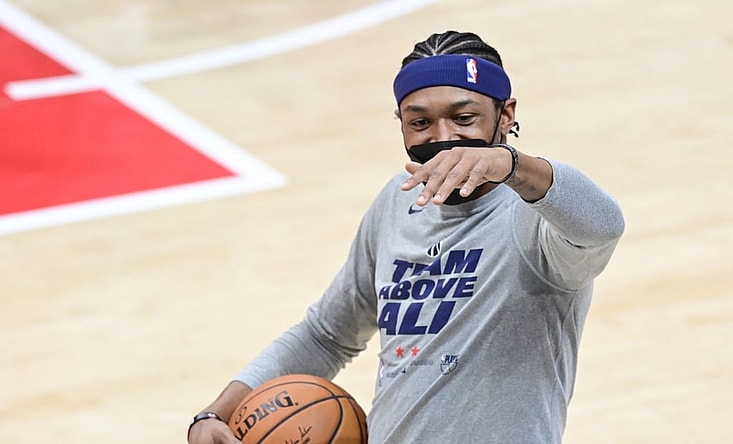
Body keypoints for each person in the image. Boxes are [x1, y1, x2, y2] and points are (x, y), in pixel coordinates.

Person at [187, 30, 625, 444]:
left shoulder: (538, 219)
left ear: (505, 115)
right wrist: (217, 413)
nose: (443, 138)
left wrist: (511, 165)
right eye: (420, 123)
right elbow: (326, 335)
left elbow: (603, 227)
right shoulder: (398, 204)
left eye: (464, 117)